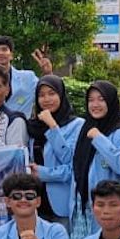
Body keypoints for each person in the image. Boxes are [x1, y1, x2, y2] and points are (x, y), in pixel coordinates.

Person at [64, 80, 120, 239]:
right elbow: (74, 166)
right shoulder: (85, 129)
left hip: (105, 206)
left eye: (101, 99)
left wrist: (98, 138)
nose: (95, 104)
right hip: (81, 206)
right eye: (91, 100)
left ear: (111, 101)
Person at [29, 75, 81, 228]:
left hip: (61, 204)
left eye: (52, 94)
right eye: (41, 95)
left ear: (61, 95)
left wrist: (53, 126)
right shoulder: (33, 126)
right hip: (36, 203)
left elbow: (71, 166)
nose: (46, 99)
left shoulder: (76, 125)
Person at [0, 35, 39, 114]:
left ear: (11, 55)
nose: (0, 53)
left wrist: (48, 73)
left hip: (22, 125)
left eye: (4, 49)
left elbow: (48, 92)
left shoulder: (28, 78)